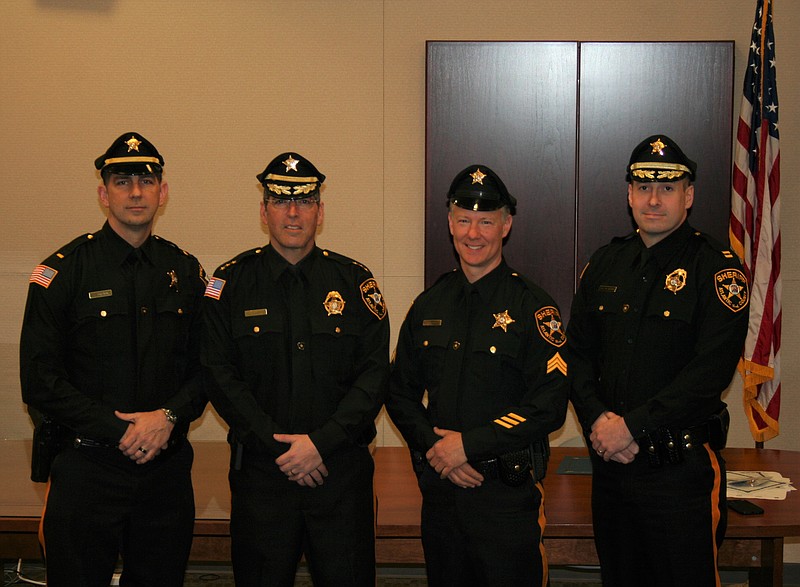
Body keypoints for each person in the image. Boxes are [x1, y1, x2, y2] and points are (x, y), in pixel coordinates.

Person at [19, 132, 208, 586]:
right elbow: (39, 379)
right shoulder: (62, 271)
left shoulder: (185, 271)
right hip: (87, 470)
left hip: (165, 473)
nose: (136, 192)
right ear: (104, 194)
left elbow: (210, 369)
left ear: (163, 193)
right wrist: (120, 429)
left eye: (147, 180)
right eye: (123, 181)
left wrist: (167, 417)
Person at [567, 134, 750, 587]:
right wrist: (598, 422)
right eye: (643, 187)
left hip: (679, 475)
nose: (653, 199)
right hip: (612, 466)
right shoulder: (604, 264)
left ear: (688, 196)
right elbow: (575, 356)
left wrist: (630, 427)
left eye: (667, 188)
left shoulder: (718, 270)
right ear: (629, 194)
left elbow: (709, 376)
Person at [202, 152, 389, 586]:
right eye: (280, 200)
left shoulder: (356, 284)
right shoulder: (228, 284)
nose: (292, 212)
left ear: (320, 212)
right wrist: (282, 448)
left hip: (339, 476)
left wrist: (320, 444)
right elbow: (219, 375)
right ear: (263, 210)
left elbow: (374, 376)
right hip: (263, 479)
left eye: (304, 201)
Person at [386, 164, 569, 586]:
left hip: (505, 500)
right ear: (450, 222)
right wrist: (438, 449)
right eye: (464, 219)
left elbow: (549, 405)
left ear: (507, 225)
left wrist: (468, 446)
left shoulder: (533, 308)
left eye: (486, 221)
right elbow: (399, 393)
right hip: (441, 499)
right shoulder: (429, 305)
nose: (474, 233)